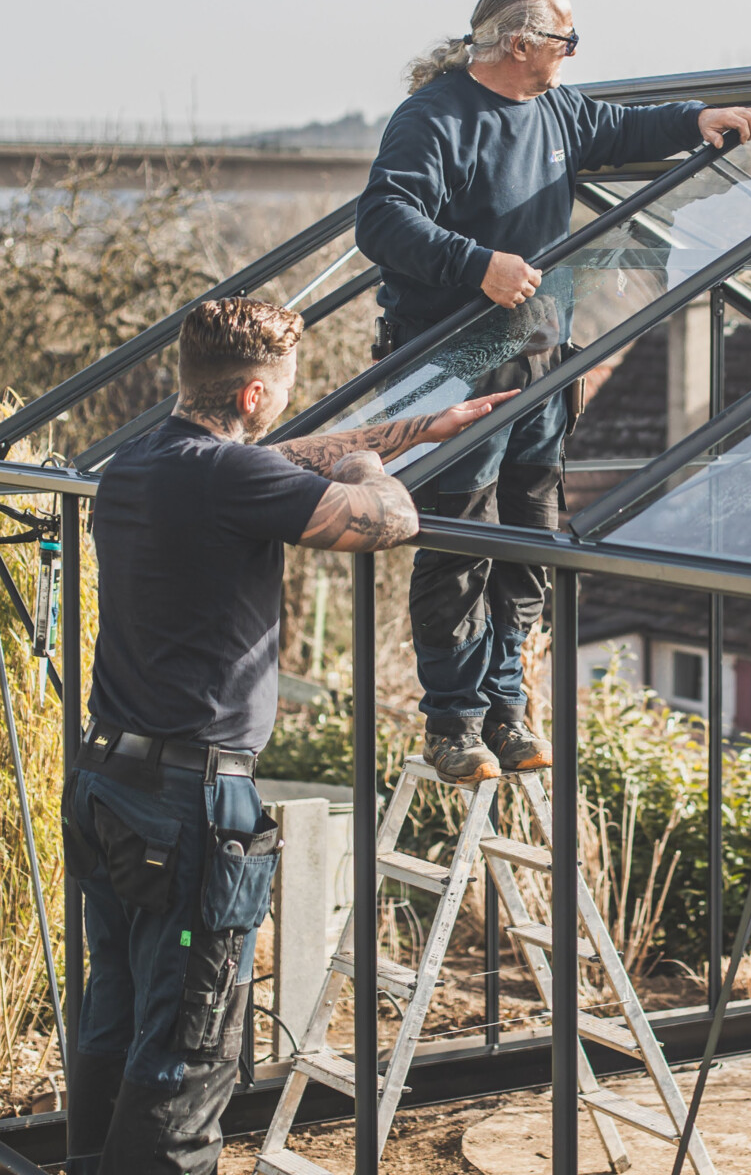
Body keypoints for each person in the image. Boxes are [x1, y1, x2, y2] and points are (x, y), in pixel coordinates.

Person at [61, 296, 514, 1175]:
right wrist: (366, 468)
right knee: (187, 1039)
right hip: (187, 812)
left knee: (111, 1013)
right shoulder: (232, 480)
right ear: (255, 395)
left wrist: (414, 429)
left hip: (107, 787)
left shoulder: (136, 464)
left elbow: (266, 464)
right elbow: (392, 522)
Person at [355, 0, 751, 786]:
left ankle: (509, 706)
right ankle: (454, 721)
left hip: (543, 355)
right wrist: (478, 266)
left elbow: (620, 128)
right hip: (451, 361)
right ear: (520, 43)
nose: (572, 55)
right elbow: (383, 218)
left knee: (531, 534)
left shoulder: (558, 111)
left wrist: (696, 121)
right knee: (459, 536)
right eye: (564, 41)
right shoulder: (433, 119)